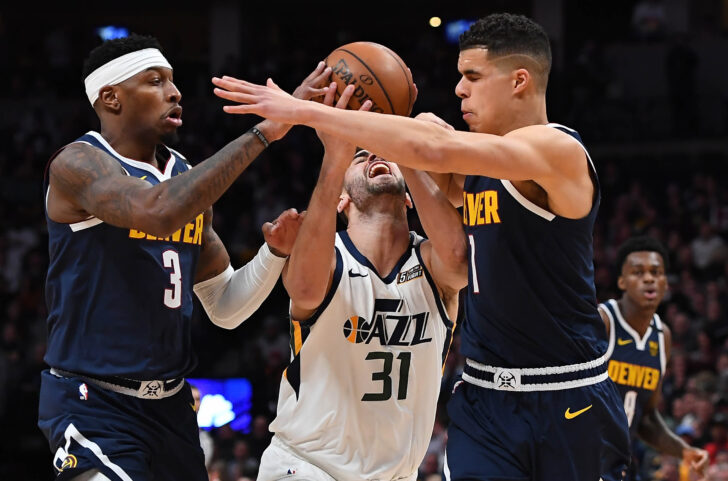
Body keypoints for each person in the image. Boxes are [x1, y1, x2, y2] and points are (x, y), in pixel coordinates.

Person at [212, 12, 631, 481]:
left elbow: (431, 153)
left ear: (519, 81)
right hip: (483, 395)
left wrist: (302, 111)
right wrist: (378, 132)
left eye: (472, 77)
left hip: (564, 389)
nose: (458, 91)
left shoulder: (557, 151)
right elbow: (424, 162)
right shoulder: (471, 163)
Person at [37, 33, 333, 481]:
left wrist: (273, 254)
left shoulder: (183, 174)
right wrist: (264, 132)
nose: (174, 93)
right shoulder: (78, 163)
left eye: (172, 81)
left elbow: (225, 308)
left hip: (172, 406)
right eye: (155, 81)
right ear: (111, 97)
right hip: (93, 401)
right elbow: (155, 212)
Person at [255, 84, 466, 480]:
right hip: (306, 466)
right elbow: (303, 290)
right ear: (342, 201)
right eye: (362, 156)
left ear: (409, 198)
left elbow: (459, 262)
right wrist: (335, 157)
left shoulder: (432, 262)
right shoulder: (326, 254)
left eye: (385, 155)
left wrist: (409, 152)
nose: (375, 154)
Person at [599, 236, 708, 479]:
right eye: (638, 272)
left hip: (621, 464)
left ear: (665, 283)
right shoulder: (603, 321)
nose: (649, 278)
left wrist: (684, 450)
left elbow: (646, 416)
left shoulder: (662, 336)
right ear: (621, 281)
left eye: (656, 272)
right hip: (582, 457)